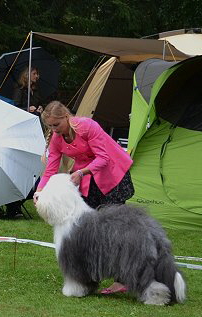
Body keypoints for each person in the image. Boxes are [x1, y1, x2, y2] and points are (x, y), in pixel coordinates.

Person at [34, 100, 134, 295]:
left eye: (57, 124)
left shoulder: (87, 126)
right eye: (50, 126)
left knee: (114, 228)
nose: (54, 130)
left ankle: (121, 280)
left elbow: (103, 157)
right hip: (88, 180)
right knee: (88, 230)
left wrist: (82, 172)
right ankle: (88, 276)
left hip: (112, 175)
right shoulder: (57, 139)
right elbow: (51, 169)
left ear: (66, 117)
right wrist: (40, 191)